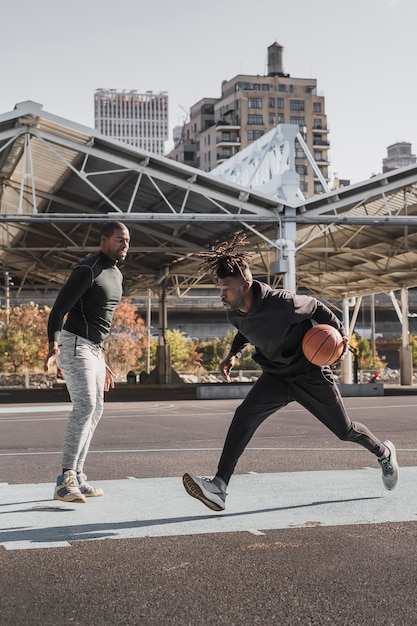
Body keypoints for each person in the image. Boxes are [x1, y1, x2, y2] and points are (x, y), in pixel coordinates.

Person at [183, 233, 399, 511]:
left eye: (226, 287)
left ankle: (383, 452)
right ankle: (219, 486)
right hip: (275, 376)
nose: (221, 293)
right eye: (220, 287)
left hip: (309, 374)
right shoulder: (233, 312)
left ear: (245, 284)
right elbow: (244, 332)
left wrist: (341, 339)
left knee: (344, 431)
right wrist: (232, 354)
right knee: (243, 416)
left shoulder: (283, 304)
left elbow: (319, 307)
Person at [44, 221, 130, 503]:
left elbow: (100, 319)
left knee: (97, 410)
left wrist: (101, 358)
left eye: (127, 240)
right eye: (120, 239)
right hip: (74, 344)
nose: (125, 244)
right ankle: (64, 479)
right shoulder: (87, 270)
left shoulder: (116, 274)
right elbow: (59, 309)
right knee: (85, 406)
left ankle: (78, 477)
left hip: (94, 349)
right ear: (104, 240)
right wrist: (53, 345)